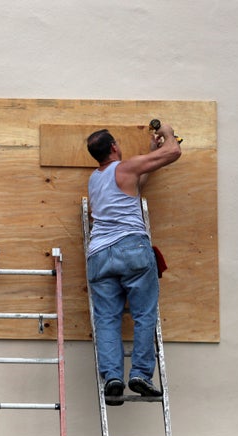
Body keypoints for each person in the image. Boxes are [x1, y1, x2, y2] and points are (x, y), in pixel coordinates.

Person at [85, 124, 181, 405]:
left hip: (99, 255)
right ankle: (140, 374)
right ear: (114, 147)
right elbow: (174, 151)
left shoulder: (95, 179)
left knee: (107, 319)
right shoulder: (125, 166)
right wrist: (168, 133)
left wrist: (151, 154)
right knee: (143, 314)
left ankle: (113, 377)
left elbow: (135, 186)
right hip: (131, 249)